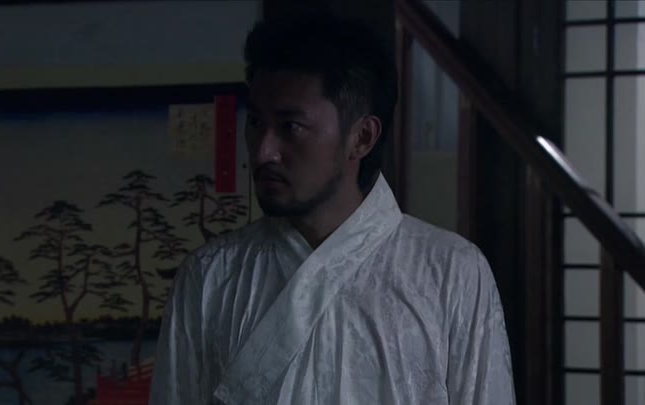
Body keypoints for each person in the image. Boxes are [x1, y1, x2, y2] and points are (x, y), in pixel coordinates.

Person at [150, 13, 515, 405]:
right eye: (255, 122)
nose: (263, 151)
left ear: (362, 137)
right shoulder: (211, 277)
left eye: (290, 127)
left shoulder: (451, 272)